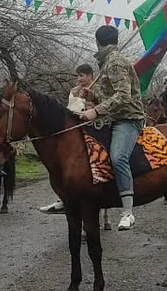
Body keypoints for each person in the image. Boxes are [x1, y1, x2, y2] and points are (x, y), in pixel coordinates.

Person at [77, 25, 147, 230]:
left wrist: (96, 110)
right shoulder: (107, 62)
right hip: (112, 118)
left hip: (128, 119)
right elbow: (110, 94)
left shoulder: (115, 62)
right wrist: (92, 95)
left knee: (118, 157)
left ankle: (128, 212)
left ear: (98, 42)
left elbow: (124, 96)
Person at [39, 64, 98, 213]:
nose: (79, 79)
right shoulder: (74, 91)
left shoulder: (98, 88)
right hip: (74, 128)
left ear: (90, 76)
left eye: (82, 76)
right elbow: (70, 109)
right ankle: (63, 198)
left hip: (94, 127)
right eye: (78, 76)